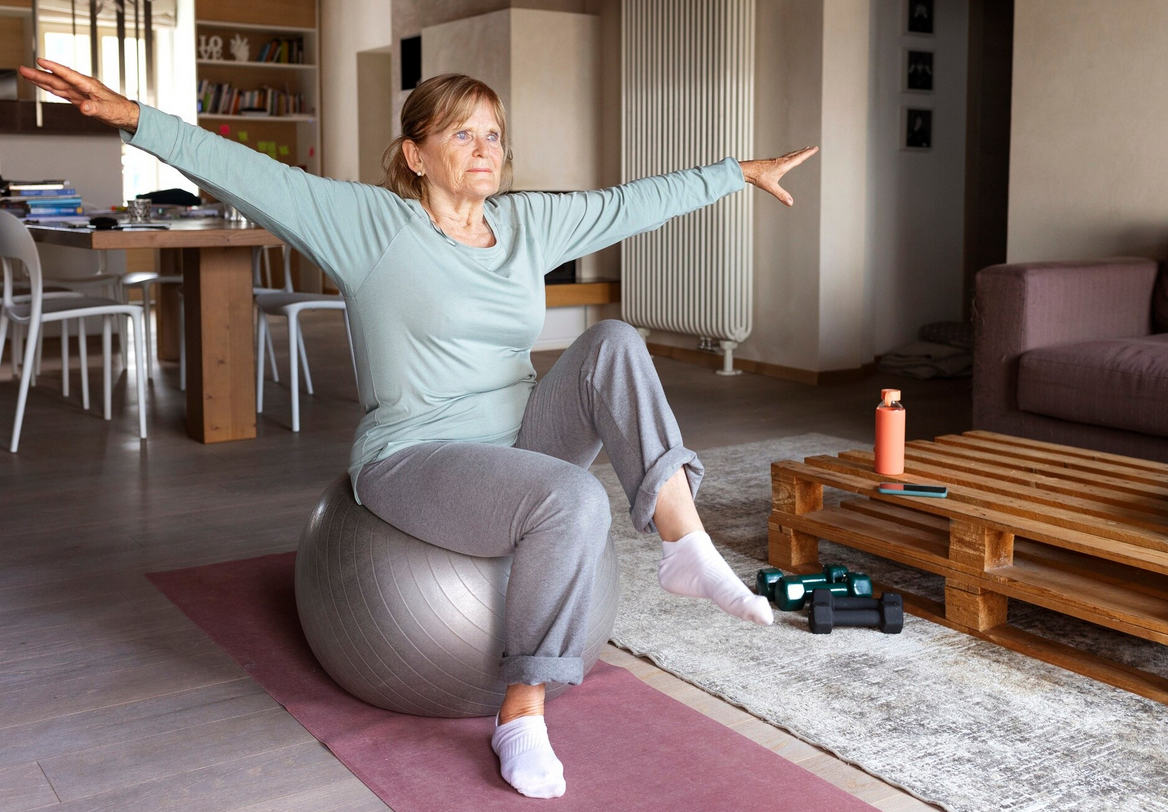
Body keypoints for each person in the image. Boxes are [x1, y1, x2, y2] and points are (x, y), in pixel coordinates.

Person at [21, 59, 818, 799]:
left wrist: (737, 174)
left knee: (614, 341)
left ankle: (685, 546)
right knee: (573, 498)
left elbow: (626, 202)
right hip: (416, 455)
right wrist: (132, 117)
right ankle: (521, 713)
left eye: (495, 134)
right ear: (415, 153)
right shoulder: (368, 226)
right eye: (463, 133)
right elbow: (246, 173)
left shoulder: (526, 224)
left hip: (523, 438)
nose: (485, 149)